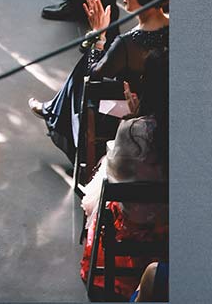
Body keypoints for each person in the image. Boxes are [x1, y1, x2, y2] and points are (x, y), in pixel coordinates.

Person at [30, 0, 169, 161]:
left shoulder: (128, 44)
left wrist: (99, 36)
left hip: (133, 113)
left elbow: (94, 78)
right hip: (166, 110)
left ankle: (54, 112)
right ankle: (51, 108)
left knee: (87, 68)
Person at [80, 50, 168, 299]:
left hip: (134, 223)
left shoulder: (133, 130)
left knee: (104, 179)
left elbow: (116, 172)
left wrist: (133, 118)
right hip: (169, 224)